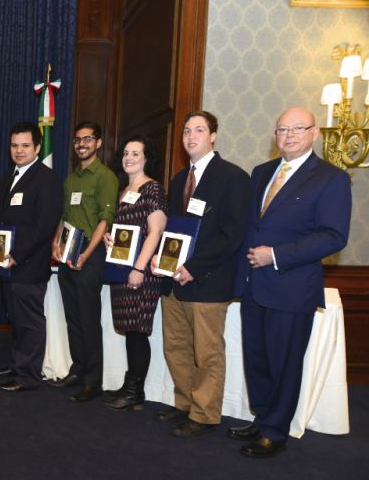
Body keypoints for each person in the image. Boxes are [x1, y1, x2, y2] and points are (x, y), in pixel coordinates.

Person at [232, 107, 351, 458]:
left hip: (291, 286)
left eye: (298, 128)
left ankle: (275, 431)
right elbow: (250, 227)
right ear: (274, 137)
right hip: (254, 285)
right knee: (257, 358)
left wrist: (277, 254)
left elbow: (333, 236)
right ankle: (263, 417)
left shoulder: (331, 178)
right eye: (282, 129)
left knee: (284, 361)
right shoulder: (261, 172)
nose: (289, 135)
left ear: (315, 133)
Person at [152, 111, 251, 437]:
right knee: (176, 347)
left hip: (207, 282)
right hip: (173, 282)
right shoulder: (180, 178)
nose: (190, 136)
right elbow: (175, 232)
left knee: (207, 353)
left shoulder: (232, 177)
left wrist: (192, 268)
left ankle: (205, 414)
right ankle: (184, 403)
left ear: (213, 136)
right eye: (186, 131)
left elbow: (232, 235)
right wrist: (162, 261)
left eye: (198, 130)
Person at [0, 121, 63, 392]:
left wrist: (16, 255)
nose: (19, 151)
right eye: (14, 145)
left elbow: (44, 226)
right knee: (17, 318)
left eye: (25, 145)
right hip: (6, 263)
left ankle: (28, 376)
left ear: (37, 147)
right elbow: (0, 217)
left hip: (28, 265)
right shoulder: (10, 176)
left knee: (30, 321)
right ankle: (19, 363)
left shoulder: (48, 179)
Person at [49, 121, 119, 402]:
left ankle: (93, 381)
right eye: (78, 140)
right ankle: (77, 369)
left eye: (88, 139)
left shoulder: (105, 177)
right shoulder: (71, 179)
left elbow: (105, 220)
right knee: (73, 318)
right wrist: (56, 242)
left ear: (98, 143)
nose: (82, 144)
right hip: (67, 254)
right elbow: (65, 216)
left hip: (89, 256)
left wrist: (87, 254)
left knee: (89, 320)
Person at [102, 136, 168, 410]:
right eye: (126, 153)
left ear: (146, 158)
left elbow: (156, 231)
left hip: (140, 274)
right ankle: (133, 389)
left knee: (138, 331)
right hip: (122, 270)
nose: (128, 158)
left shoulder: (152, 189)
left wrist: (140, 267)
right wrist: (110, 239)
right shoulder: (123, 190)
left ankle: (133, 391)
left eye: (135, 154)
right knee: (130, 330)